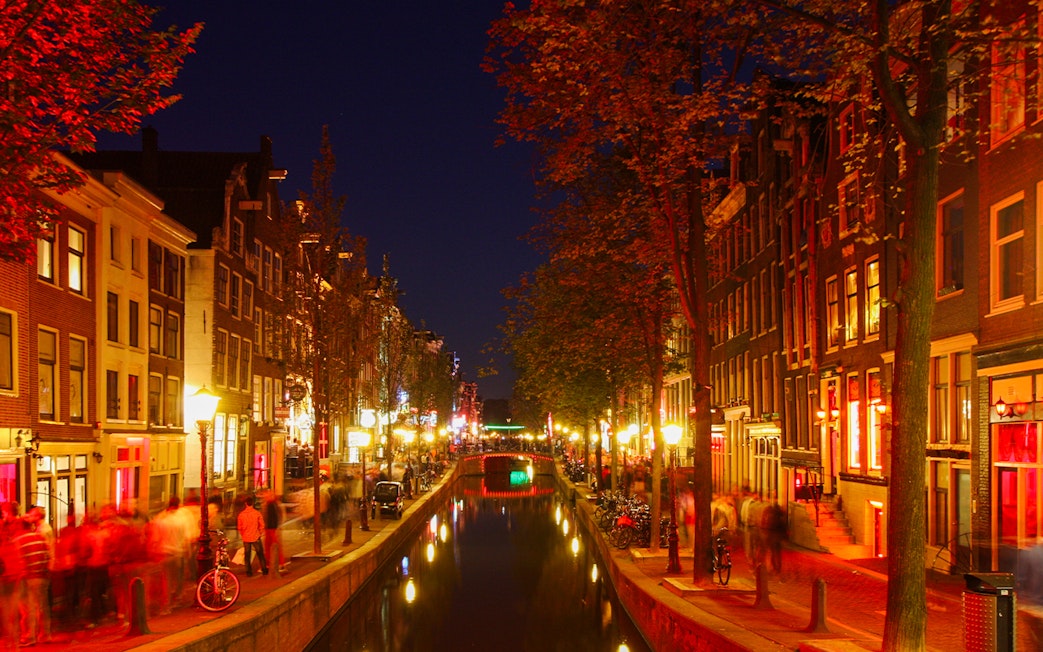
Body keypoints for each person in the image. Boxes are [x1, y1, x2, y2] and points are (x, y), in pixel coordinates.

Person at [14, 517, 51, 645]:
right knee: (42, 606)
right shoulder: (40, 537)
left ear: (19, 527)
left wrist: (20, 577)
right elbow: (47, 555)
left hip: (28, 577)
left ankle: (30, 636)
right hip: (42, 576)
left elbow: (20, 561)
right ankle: (45, 634)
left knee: (27, 609)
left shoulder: (19, 540)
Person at [237, 495, 268, 577]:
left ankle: (248, 571)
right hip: (256, 536)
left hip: (246, 537)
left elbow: (239, 527)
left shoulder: (241, 515)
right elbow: (262, 525)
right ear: (253, 503)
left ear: (245, 504)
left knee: (247, 555)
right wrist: (259, 533)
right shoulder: (257, 513)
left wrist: (243, 534)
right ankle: (264, 569)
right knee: (260, 553)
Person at [262, 492, 288, 574]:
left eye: (268, 496)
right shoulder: (267, 505)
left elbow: (280, 516)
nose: (266, 497)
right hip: (268, 528)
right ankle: (270, 563)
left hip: (274, 528)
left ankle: (280, 563)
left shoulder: (276, 505)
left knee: (275, 545)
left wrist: (279, 527)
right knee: (268, 546)